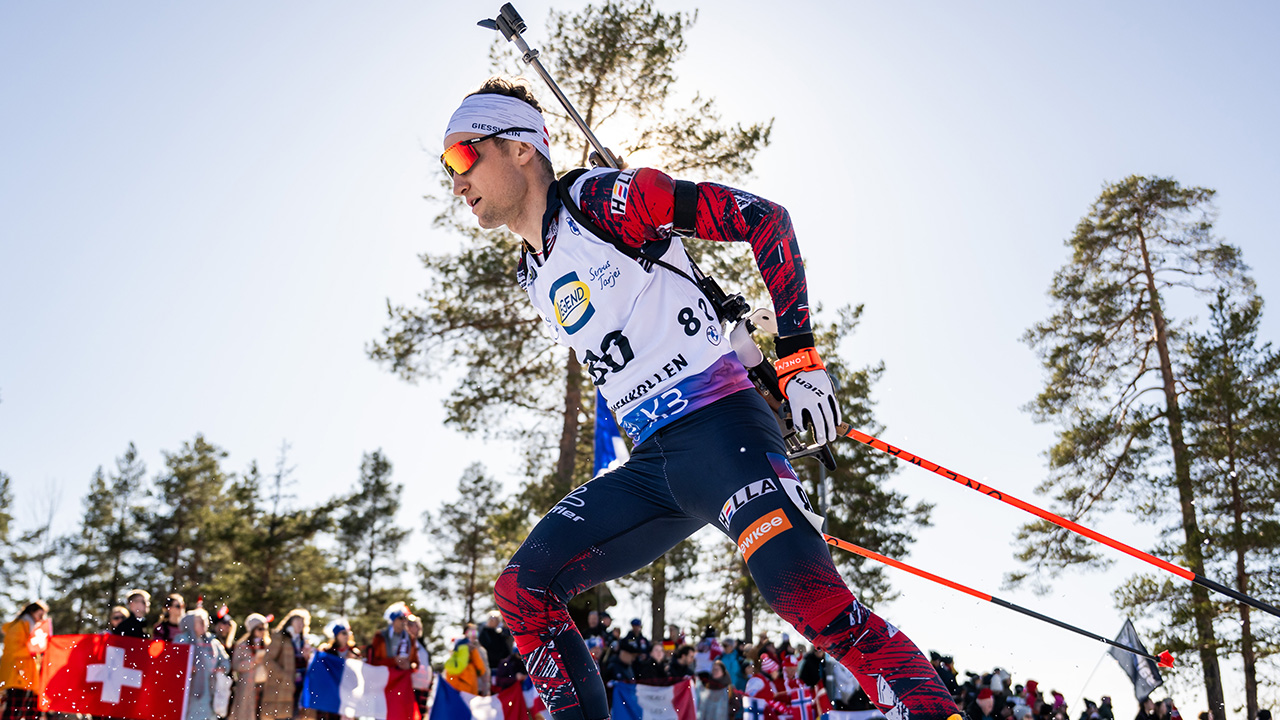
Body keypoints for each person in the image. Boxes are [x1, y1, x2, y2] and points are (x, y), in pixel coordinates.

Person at [453, 78, 960, 720]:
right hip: (653, 467)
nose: (456, 181)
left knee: (810, 601)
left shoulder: (603, 203)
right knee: (522, 589)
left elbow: (765, 220)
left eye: (464, 157)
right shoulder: (532, 272)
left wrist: (797, 356)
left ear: (521, 148)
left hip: (724, 435)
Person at [175, 608, 232, 720]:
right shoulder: (182, 640)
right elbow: (175, 661)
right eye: (200, 621)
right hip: (189, 689)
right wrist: (186, 668)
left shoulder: (212, 642)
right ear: (191, 623)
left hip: (210, 688)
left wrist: (222, 668)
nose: (204, 624)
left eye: (205, 621)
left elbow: (225, 660)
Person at [1, 601, 49, 720]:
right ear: (32, 612)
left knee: (26, 710)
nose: (41, 619)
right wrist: (33, 650)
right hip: (17, 673)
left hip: (27, 674)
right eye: (40, 615)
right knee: (14, 708)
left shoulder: (31, 627)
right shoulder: (19, 626)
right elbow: (13, 650)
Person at [263, 609, 312, 720]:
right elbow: (268, 660)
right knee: (281, 716)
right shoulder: (280, 637)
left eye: (303, 622)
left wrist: (307, 657)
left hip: (301, 687)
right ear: (290, 621)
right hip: (281, 687)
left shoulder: (304, 641)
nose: (301, 624)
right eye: (298, 621)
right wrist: (284, 676)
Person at [230, 614, 270, 720]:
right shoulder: (242, 645)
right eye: (260, 628)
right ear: (252, 629)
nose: (263, 631)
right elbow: (236, 665)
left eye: (265, 628)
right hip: (247, 686)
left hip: (265, 686)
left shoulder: (269, 644)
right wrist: (253, 662)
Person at [366, 602, 416, 672]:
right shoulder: (380, 636)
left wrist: (410, 665)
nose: (404, 621)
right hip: (385, 678)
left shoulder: (411, 639)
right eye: (401, 618)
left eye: (406, 618)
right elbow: (373, 662)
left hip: (404, 678)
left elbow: (416, 661)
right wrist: (393, 661)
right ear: (393, 620)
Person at [444, 625, 488, 695]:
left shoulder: (480, 649)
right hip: (464, 687)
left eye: (475, 633)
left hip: (476, 687)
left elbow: (484, 671)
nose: (473, 635)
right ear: (465, 633)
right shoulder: (461, 648)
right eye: (471, 632)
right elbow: (481, 669)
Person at [406, 615, 434, 718]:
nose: (418, 628)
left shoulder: (421, 644)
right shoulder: (406, 642)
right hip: (411, 685)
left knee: (420, 715)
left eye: (418, 625)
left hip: (423, 686)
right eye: (414, 625)